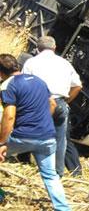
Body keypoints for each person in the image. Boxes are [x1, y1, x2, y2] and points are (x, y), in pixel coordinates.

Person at [0, 54, 71, 210]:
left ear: (1, 72)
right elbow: (52, 104)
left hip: (23, 137)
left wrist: (2, 142)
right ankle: (63, 208)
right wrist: (43, 122)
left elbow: (9, 115)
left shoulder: (8, 85)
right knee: (51, 176)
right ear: (17, 66)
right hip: (47, 137)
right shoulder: (39, 81)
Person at [22, 36, 83, 177]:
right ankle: (57, 173)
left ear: (38, 48)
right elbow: (78, 86)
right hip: (60, 104)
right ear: (54, 48)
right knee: (60, 140)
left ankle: (23, 160)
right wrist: (66, 102)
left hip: (40, 102)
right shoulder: (65, 63)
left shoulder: (31, 62)